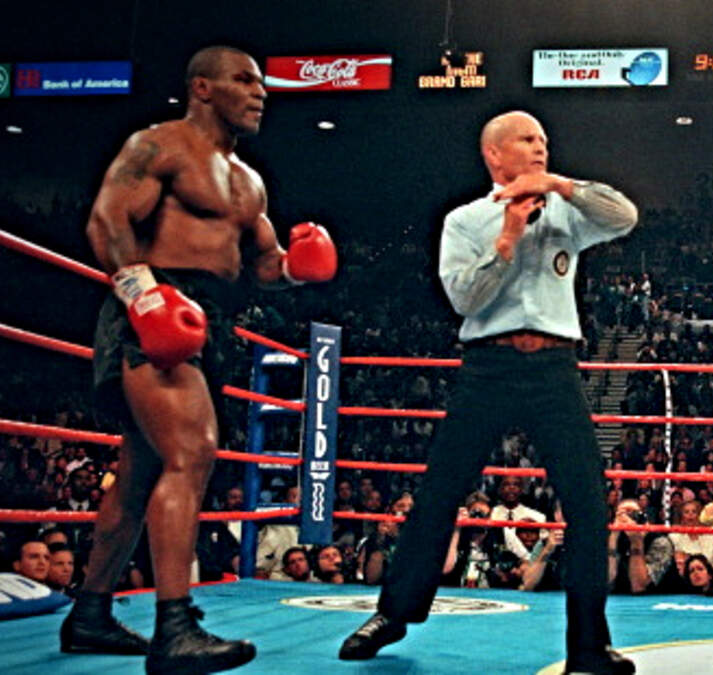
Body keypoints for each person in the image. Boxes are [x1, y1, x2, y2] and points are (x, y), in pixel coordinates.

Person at [59, 45, 337, 674]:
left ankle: (90, 613)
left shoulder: (249, 181)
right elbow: (107, 222)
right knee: (192, 452)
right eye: (244, 80)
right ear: (203, 88)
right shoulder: (159, 145)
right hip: (154, 304)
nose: (259, 92)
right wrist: (144, 297)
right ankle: (175, 627)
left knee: (139, 472)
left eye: (262, 83)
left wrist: (298, 266)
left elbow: (263, 266)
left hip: (210, 323)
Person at [339, 109, 638, 674]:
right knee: (439, 493)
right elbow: (463, 300)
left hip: (554, 366)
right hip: (488, 365)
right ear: (494, 155)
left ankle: (588, 647)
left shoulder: (566, 212)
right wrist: (507, 238)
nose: (540, 146)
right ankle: (393, 613)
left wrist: (559, 185)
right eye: (527, 139)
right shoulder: (464, 220)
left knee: (585, 501)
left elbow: (624, 216)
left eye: (544, 139)